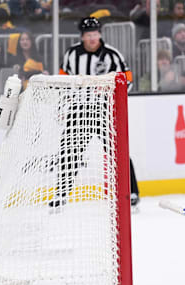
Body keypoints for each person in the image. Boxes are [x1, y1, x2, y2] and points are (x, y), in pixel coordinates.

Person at [56, 17, 140, 208]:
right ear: (82, 37)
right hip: (78, 111)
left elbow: (128, 79)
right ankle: (61, 193)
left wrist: (112, 93)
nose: (92, 38)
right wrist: (64, 104)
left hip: (105, 111)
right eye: (88, 35)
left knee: (118, 151)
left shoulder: (113, 55)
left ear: (100, 34)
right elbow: (63, 81)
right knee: (69, 152)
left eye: (95, 34)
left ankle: (131, 193)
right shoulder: (71, 55)